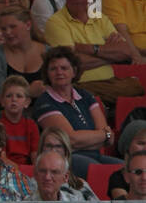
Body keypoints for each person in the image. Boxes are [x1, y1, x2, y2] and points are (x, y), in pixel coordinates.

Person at [44, 0, 145, 104]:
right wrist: (110, 56)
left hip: (110, 84)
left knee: (137, 90)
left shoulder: (99, 18)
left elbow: (126, 51)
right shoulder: (55, 22)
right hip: (79, 86)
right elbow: (69, 64)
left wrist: (85, 49)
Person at [30, 45, 120, 177]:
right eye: (53, 69)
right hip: (67, 158)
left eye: (64, 68)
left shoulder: (85, 96)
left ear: (74, 71)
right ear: (47, 74)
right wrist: (101, 135)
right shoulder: (45, 102)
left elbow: (109, 139)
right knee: (102, 173)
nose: (59, 72)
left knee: (127, 170)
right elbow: (70, 140)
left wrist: (94, 137)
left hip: (95, 155)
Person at [0, 74, 42, 166]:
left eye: (19, 96)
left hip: (27, 170)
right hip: (4, 169)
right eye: (9, 96)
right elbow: (1, 158)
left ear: (27, 102)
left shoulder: (31, 124)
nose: (14, 99)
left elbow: (35, 156)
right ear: (2, 101)